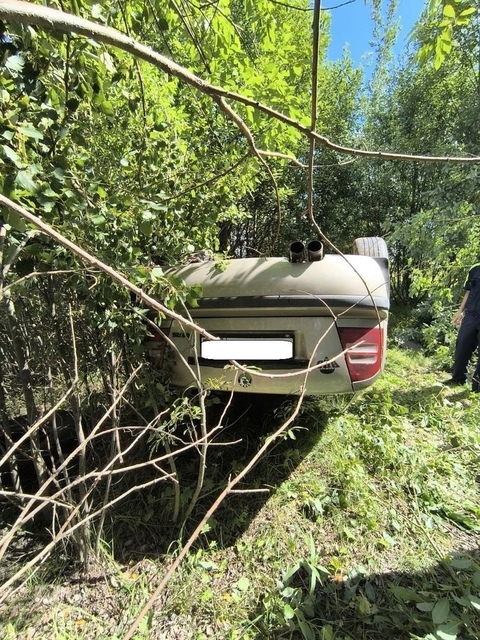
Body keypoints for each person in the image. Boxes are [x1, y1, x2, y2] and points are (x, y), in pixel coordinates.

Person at [444, 263, 480, 392]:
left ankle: (477, 388)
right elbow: (468, 292)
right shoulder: (475, 268)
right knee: (462, 346)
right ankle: (458, 378)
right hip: (470, 315)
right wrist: (460, 312)